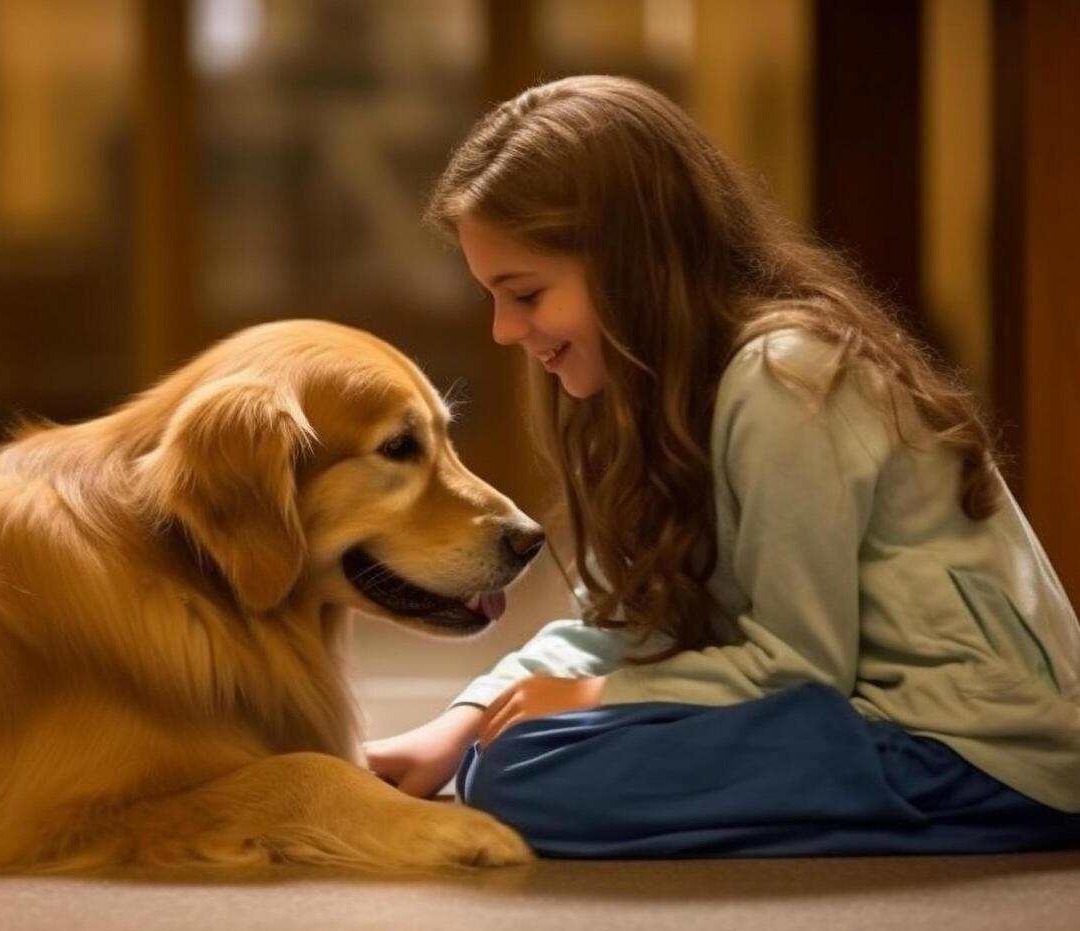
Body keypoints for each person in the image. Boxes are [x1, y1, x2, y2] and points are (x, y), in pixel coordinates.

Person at [363, 75, 1080, 857]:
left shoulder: (786, 377)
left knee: (526, 774)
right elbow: (631, 626)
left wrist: (599, 699)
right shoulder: (645, 396)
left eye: (527, 294)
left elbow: (800, 667)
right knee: (512, 756)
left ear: (631, 261)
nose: (506, 331)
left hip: (971, 742)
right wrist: (464, 720)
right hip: (838, 715)